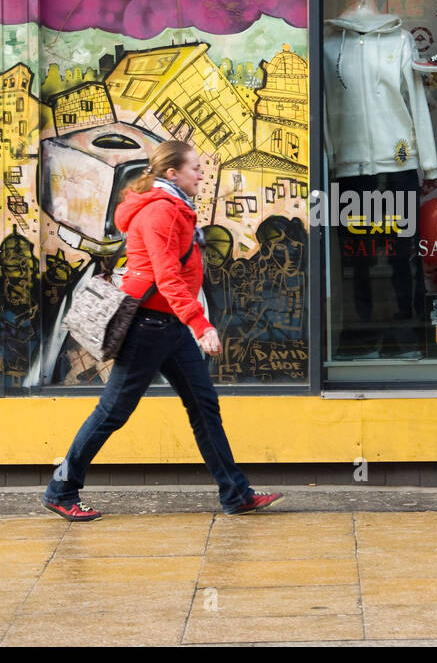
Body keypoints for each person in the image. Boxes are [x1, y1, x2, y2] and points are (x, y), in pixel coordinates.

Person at [42, 139, 284, 520]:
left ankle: (236, 493)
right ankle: (61, 489)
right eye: (195, 169)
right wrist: (201, 325)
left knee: (203, 407)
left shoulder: (176, 208)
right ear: (173, 173)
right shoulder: (160, 213)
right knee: (112, 412)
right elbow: (167, 276)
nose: (202, 175)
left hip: (167, 326)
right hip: (147, 327)